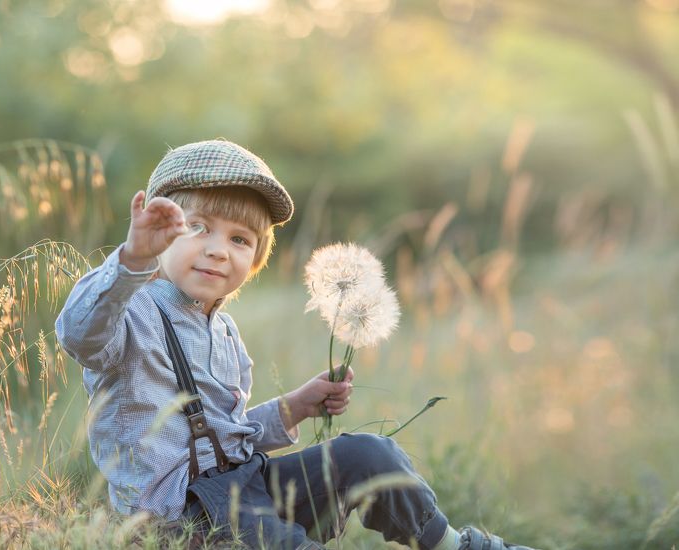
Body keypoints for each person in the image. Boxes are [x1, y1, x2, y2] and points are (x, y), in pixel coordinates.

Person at [56, 139, 536, 550]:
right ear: (160, 232)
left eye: (240, 239)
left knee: (369, 454)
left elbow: (228, 439)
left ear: (255, 259)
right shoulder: (132, 309)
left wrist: (294, 408)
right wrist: (132, 259)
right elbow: (79, 334)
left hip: (243, 489)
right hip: (177, 519)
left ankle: (450, 544)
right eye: (197, 227)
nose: (218, 249)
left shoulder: (224, 333)